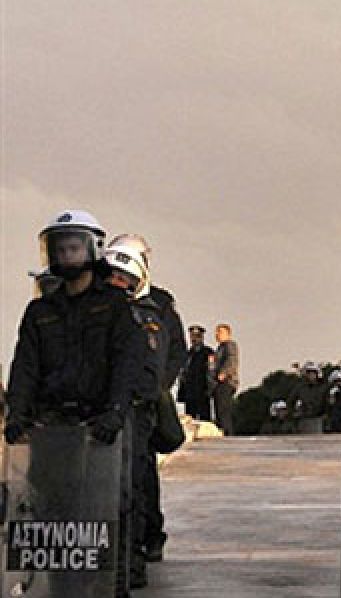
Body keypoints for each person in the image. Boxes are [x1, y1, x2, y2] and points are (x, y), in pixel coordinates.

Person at [5, 210, 147, 598]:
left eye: (74, 246)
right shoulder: (40, 312)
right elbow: (25, 368)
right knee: (55, 522)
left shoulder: (115, 306)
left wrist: (116, 412)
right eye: (61, 248)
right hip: (51, 432)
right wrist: (15, 415)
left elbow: (126, 363)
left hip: (101, 434)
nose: (67, 255)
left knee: (104, 522)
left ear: (93, 248)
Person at [107, 233, 186, 565]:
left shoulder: (159, 304)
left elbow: (174, 350)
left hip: (145, 402)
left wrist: (158, 387)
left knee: (140, 473)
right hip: (113, 402)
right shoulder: (106, 299)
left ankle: (145, 540)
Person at [180, 325, 215, 420]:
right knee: (190, 419)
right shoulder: (188, 354)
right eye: (192, 336)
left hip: (203, 390)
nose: (194, 339)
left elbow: (211, 370)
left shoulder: (208, 352)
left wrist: (210, 388)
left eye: (197, 336)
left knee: (204, 419)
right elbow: (183, 373)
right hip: (190, 392)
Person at [212, 323, 239, 434]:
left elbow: (232, 360)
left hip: (226, 382)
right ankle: (223, 432)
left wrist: (223, 373)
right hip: (219, 383)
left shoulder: (230, 345)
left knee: (223, 411)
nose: (217, 334)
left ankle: (227, 433)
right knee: (219, 410)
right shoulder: (220, 348)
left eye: (220, 332)